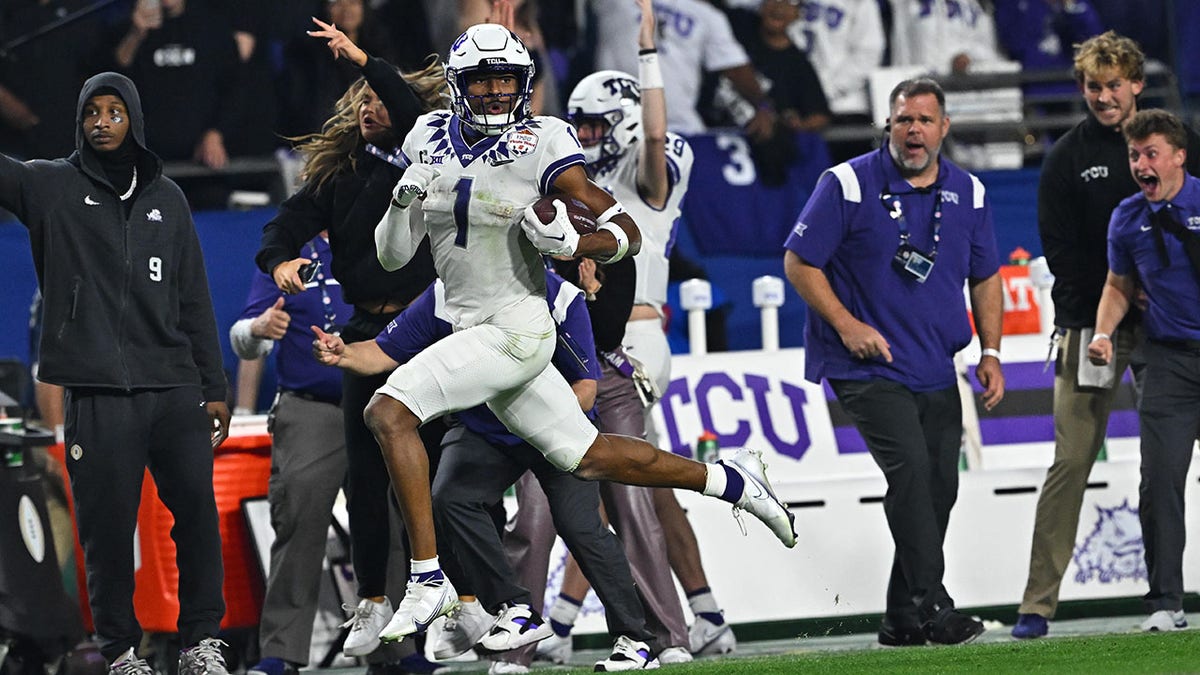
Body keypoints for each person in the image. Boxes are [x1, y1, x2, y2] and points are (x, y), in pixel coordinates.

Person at [331, 21, 796, 649]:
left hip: (517, 327)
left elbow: (627, 230)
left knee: (388, 411)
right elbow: (390, 259)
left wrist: (581, 243)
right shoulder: (425, 140)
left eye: (507, 80)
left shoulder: (544, 141)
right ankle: (731, 480)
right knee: (592, 455)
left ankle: (428, 578)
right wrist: (399, 203)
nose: (497, 92)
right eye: (483, 80)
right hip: (472, 325)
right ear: (460, 86)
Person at [314, 270, 664, 673]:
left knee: (580, 526)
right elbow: (382, 350)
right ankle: (511, 607)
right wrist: (343, 353)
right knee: (450, 497)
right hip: (485, 430)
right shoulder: (446, 292)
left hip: (555, 425)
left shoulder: (559, 295)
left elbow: (585, 388)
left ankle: (636, 639)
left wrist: (542, 426)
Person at [0, 71, 231, 675]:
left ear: (134, 119)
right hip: (98, 394)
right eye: (91, 114)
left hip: (175, 386)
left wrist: (215, 388)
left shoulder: (169, 199)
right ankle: (122, 652)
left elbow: (194, 301)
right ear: (79, 122)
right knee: (106, 532)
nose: (101, 123)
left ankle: (202, 642)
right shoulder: (50, 186)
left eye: (113, 112)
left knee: (198, 520)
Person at [783, 77, 1005, 647]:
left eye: (925, 121)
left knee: (939, 489)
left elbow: (986, 277)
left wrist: (993, 352)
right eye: (904, 120)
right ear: (889, 124)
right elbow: (799, 262)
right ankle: (935, 606)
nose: (914, 131)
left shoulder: (970, 193)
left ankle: (901, 617)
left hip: (936, 363)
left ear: (943, 128)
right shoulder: (847, 183)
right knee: (909, 471)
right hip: (866, 365)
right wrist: (848, 325)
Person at [253, 19, 444, 667]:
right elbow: (287, 221)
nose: (370, 107)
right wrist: (279, 258)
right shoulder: (340, 174)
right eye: (362, 97)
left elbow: (416, 110)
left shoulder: (428, 159)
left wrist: (364, 57)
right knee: (341, 499)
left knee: (419, 497)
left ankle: (418, 634)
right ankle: (313, 636)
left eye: (380, 98)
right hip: (354, 348)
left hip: (418, 341)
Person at [1011, 31, 1200, 640]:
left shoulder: (1177, 141)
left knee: (1160, 468)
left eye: (1114, 84)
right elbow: (1059, 249)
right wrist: (1118, 297)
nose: (1103, 96)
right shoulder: (1067, 155)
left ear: (1137, 84)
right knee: (1071, 460)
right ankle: (1037, 605)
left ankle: (1163, 597)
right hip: (1095, 326)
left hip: (1172, 335)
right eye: (1093, 86)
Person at [1088, 109, 1200, 634]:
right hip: (1167, 361)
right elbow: (1117, 284)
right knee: (1159, 482)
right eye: (1134, 155)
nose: (1140, 164)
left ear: (1178, 156)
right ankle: (1165, 602)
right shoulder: (1126, 217)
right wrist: (1105, 333)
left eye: (1150, 153)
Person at [230, 233, 354, 675]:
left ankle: (399, 649)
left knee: (392, 520)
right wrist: (260, 329)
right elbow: (245, 336)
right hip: (310, 406)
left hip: (380, 399)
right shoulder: (285, 251)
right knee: (297, 515)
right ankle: (281, 650)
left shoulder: (379, 234)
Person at [590, 0, 776, 140]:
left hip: (680, 131)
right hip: (616, 128)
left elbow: (735, 69)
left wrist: (763, 105)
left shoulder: (707, 15)